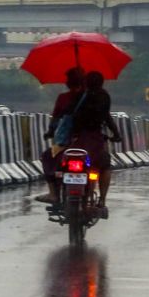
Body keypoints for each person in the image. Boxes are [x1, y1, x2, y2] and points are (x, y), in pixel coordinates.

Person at [69, 71, 122, 210]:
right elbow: (107, 117)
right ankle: (102, 200)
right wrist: (116, 134)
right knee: (105, 166)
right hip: (95, 141)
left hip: (76, 140)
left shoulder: (78, 96)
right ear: (102, 83)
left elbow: (68, 115)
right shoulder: (104, 97)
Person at [35, 67, 85, 204]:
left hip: (66, 143)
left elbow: (55, 119)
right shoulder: (91, 97)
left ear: (68, 83)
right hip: (88, 141)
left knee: (47, 156)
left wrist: (50, 132)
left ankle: (53, 193)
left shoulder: (63, 98)